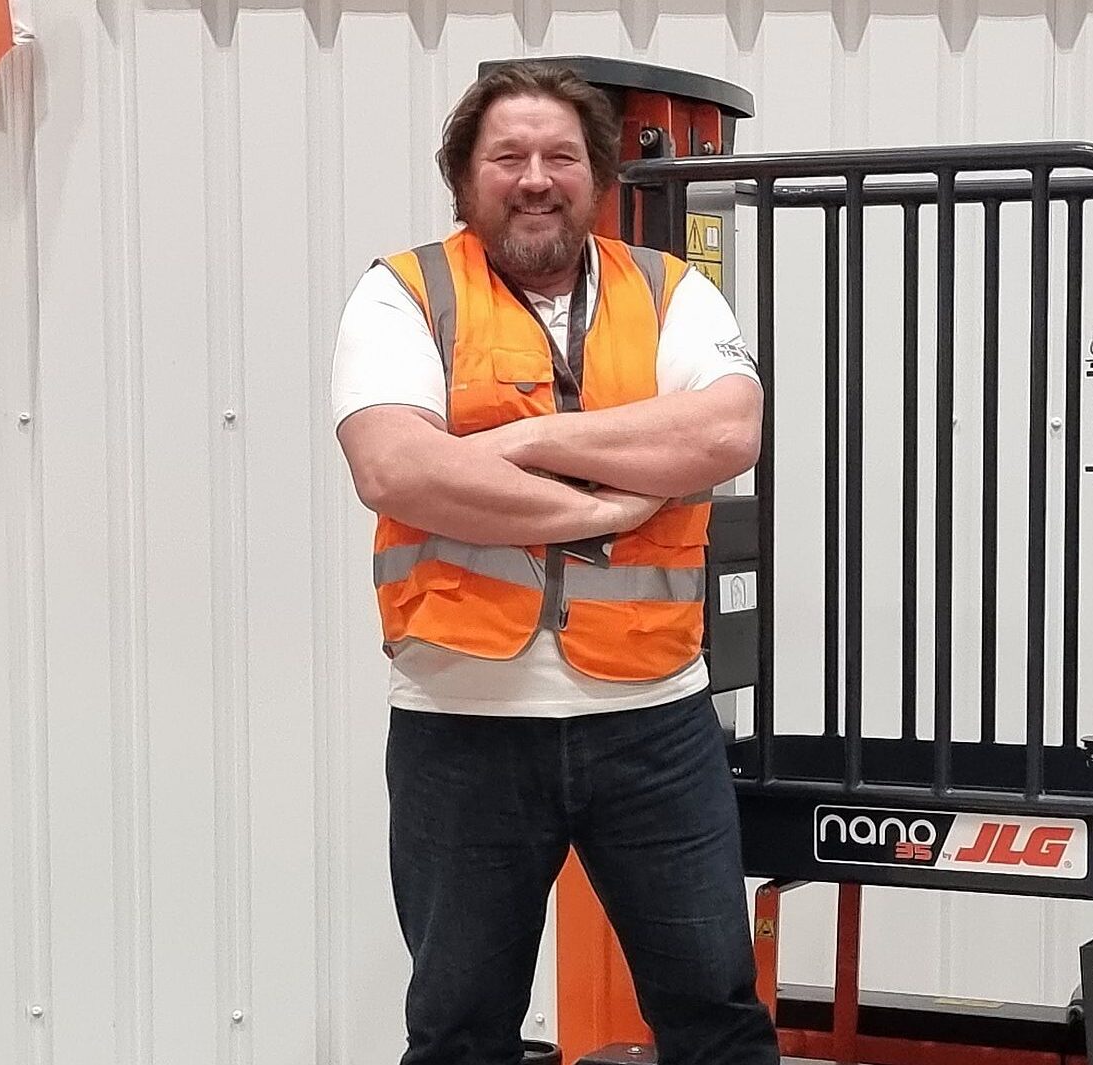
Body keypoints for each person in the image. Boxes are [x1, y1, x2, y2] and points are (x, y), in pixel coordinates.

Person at [330, 60, 778, 1065]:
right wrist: (608, 504)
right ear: (464, 178)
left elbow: (725, 432)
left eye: (560, 156)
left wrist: (517, 443)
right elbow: (395, 467)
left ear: (599, 177)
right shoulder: (404, 293)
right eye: (508, 156)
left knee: (717, 1019)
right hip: (461, 725)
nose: (535, 178)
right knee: (459, 1032)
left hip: (654, 721)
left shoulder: (672, 290)